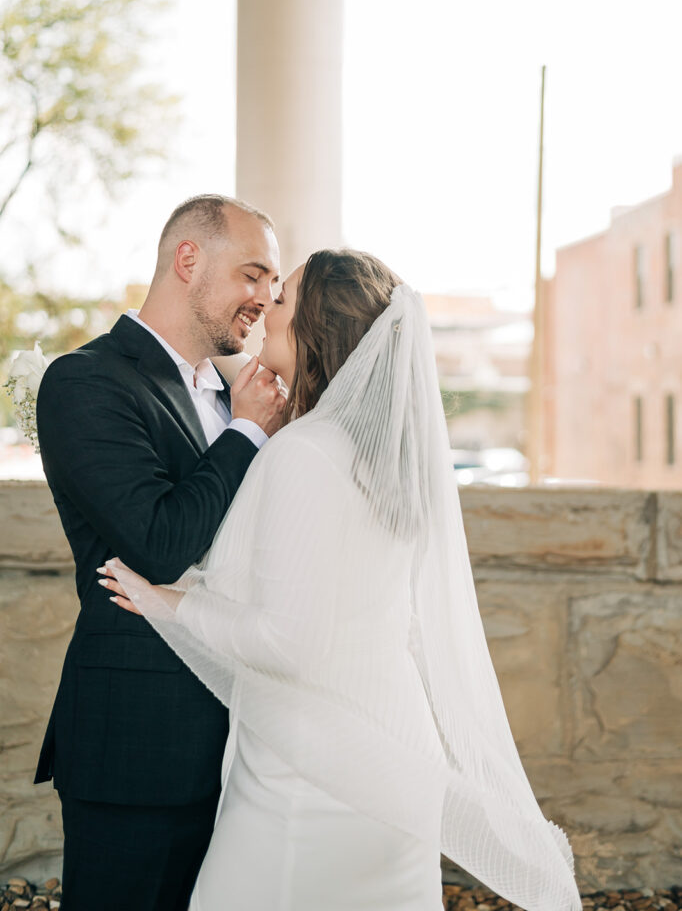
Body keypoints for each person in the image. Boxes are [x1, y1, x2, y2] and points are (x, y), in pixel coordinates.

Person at [103, 248, 583, 911]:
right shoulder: (387, 465)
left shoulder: (303, 454)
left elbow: (285, 640)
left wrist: (171, 604)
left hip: (312, 777)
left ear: (314, 331)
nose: (266, 307)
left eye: (284, 300)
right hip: (393, 760)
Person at [35, 195, 286, 911]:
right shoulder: (89, 381)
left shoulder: (228, 392)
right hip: (139, 741)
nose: (265, 298)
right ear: (188, 261)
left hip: (241, 743)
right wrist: (244, 435)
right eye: (252, 274)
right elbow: (158, 543)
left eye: (273, 285)